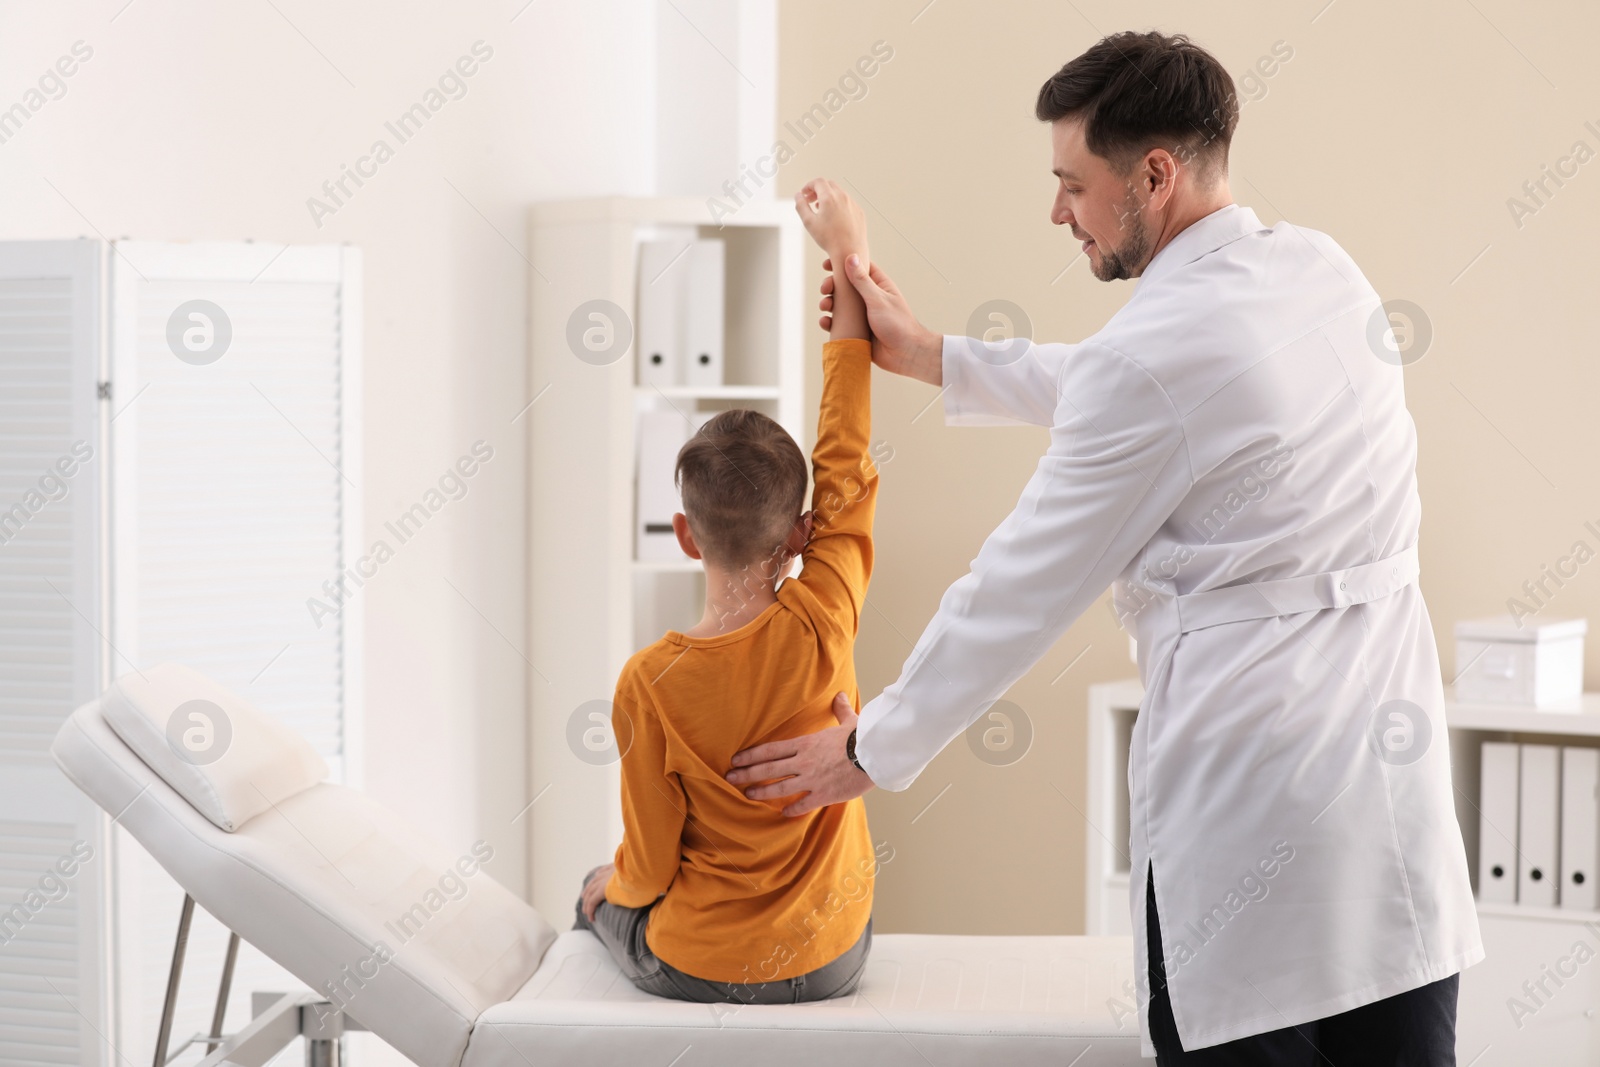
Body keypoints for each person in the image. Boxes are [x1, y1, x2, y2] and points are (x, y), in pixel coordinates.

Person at [725, 30, 1482, 1062]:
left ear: (1154, 176)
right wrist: (939, 356)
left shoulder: (1151, 360)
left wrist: (870, 746)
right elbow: (1163, 390)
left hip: (1251, 797)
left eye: (1071, 184)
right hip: (1385, 783)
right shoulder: (1318, 271)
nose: (1056, 213)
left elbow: (1015, 590)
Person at [572, 181, 885, 1004]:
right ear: (799, 534)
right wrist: (847, 260)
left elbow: (649, 867)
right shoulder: (827, 612)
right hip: (832, 955)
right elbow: (845, 452)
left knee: (596, 892)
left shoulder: (649, 683)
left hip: (703, 963)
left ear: (685, 532)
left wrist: (610, 886)